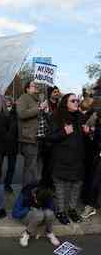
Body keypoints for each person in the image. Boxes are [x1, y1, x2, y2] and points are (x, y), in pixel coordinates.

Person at [46, 93, 88, 225]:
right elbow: (50, 137)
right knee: (61, 188)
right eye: (73, 100)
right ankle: (60, 211)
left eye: (77, 100)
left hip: (77, 160)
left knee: (76, 186)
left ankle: (72, 210)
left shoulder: (81, 117)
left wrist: (88, 132)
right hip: (62, 160)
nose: (76, 102)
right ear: (65, 103)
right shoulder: (56, 117)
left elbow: (84, 139)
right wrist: (64, 132)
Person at [17, 81, 47, 187]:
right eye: (34, 86)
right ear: (27, 89)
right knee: (30, 168)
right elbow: (21, 114)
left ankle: (34, 192)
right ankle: (27, 193)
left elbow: (40, 117)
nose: (36, 87)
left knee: (36, 167)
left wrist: (45, 111)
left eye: (36, 86)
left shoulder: (37, 99)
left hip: (40, 138)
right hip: (29, 139)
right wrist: (39, 109)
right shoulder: (23, 98)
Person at [12, 183, 60, 248]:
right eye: (37, 200)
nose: (37, 203)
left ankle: (49, 232)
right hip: (27, 217)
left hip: (41, 217)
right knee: (39, 214)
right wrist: (29, 208)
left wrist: (43, 209)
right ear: (34, 194)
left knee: (50, 213)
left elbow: (53, 210)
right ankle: (26, 233)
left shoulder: (46, 194)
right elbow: (15, 213)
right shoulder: (25, 193)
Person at [3, 96, 18, 193]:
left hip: (13, 144)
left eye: (9, 101)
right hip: (2, 143)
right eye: (6, 101)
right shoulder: (0, 113)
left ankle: (7, 184)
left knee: (11, 167)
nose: (8, 103)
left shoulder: (15, 113)